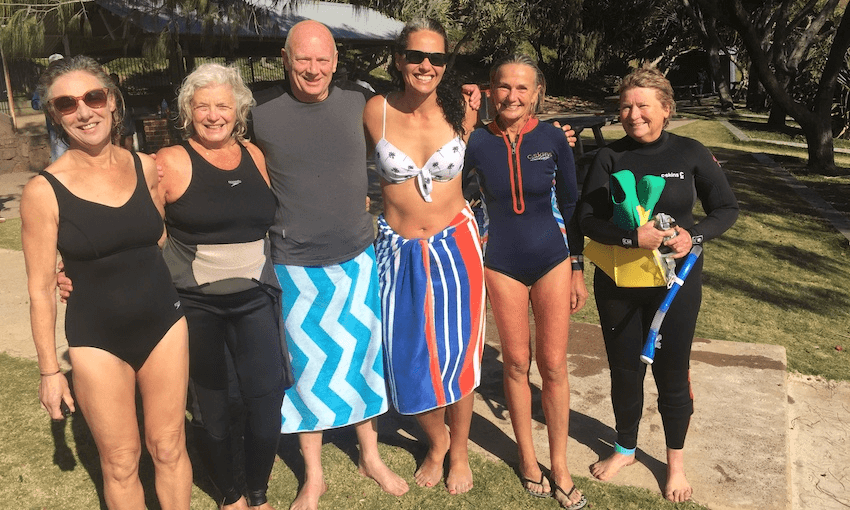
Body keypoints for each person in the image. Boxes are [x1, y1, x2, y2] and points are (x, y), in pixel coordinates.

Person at [249, 20, 411, 510]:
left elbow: (414, 124)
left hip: (358, 254)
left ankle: (370, 455)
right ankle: (313, 475)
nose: (313, 69)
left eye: (322, 60)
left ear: (336, 62)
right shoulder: (258, 111)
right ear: (285, 57)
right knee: (305, 369)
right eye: (303, 59)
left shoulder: (360, 103)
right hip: (293, 261)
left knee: (364, 360)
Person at [21, 55, 191, 509]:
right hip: (96, 340)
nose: (84, 111)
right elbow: (39, 289)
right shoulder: (43, 191)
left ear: (112, 102)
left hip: (164, 325)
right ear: (55, 116)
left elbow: (155, 238)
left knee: (170, 446)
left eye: (93, 96)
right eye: (67, 103)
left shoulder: (146, 167)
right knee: (120, 461)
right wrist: (49, 371)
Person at [578, 65, 738, 502]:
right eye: (626, 106)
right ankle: (625, 448)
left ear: (666, 109)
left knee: (671, 372)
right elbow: (587, 220)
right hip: (619, 284)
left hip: (676, 286)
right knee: (625, 371)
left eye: (643, 105)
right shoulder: (609, 158)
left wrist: (695, 235)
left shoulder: (691, 153)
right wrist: (633, 237)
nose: (633, 114)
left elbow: (726, 207)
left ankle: (675, 463)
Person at [157, 63, 289, 510]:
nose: (213, 115)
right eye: (202, 107)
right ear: (187, 112)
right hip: (197, 307)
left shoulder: (255, 156)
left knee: (266, 401)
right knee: (212, 408)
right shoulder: (170, 162)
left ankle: (258, 492)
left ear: (239, 111)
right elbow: (142, 234)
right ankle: (230, 497)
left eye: (222, 106)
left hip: (256, 300)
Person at [363, 18, 484, 496]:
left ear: (446, 64)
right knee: (406, 357)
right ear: (399, 60)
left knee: (459, 353)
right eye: (416, 56)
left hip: (456, 245)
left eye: (436, 58)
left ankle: (457, 452)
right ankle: (436, 440)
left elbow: (512, 129)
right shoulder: (376, 110)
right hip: (396, 248)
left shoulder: (463, 111)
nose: (426, 66)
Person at [464, 54, 588, 509]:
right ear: (491, 90)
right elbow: (455, 195)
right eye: (504, 87)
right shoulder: (476, 142)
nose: (512, 96)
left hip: (552, 258)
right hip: (501, 261)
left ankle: (561, 465)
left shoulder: (555, 138)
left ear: (536, 93)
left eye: (522, 88)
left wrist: (577, 265)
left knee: (553, 365)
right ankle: (528, 459)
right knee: (516, 363)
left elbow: (571, 205)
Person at [31, 53, 69, 162]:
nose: (58, 67)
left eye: (60, 63)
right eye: (55, 64)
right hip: (56, 127)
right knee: (59, 155)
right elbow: (35, 103)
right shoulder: (44, 83)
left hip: (76, 123)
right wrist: (47, 104)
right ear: (50, 66)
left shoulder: (71, 78)